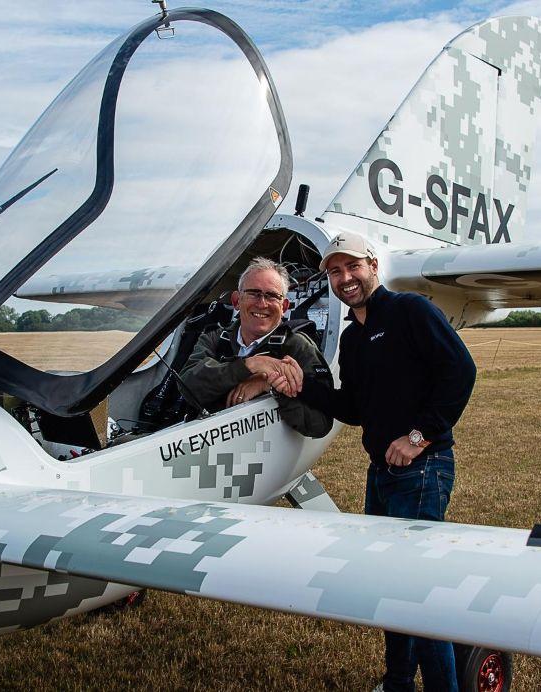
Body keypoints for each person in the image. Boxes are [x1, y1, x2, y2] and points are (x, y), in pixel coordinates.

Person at [280, 232, 476, 692]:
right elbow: (354, 407)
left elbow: (461, 371)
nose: (344, 278)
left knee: (417, 590)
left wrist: (419, 436)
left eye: (353, 266)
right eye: (335, 271)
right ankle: (399, 682)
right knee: (389, 584)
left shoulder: (411, 310)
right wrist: (300, 384)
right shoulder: (353, 337)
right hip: (381, 474)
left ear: (372, 266)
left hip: (422, 471)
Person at [178, 258, 333, 438]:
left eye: (272, 296)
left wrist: (272, 386)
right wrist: (251, 365)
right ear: (236, 301)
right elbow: (188, 387)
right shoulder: (215, 338)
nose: (262, 304)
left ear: (284, 307)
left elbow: (320, 425)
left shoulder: (298, 347)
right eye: (254, 293)